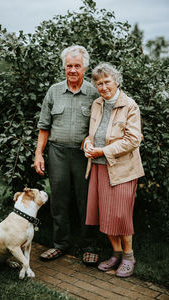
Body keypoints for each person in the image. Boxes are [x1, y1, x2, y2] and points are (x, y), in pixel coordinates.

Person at [34, 45, 99, 264]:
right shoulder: (53, 91)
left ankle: (89, 246)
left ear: (85, 68)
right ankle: (60, 244)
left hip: (83, 156)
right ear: (64, 67)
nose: (72, 70)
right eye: (69, 65)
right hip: (57, 153)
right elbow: (44, 126)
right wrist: (39, 154)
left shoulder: (93, 92)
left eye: (77, 66)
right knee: (59, 200)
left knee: (86, 201)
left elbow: (101, 126)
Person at [83, 62, 144, 277]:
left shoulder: (130, 105)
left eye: (107, 81)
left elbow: (133, 140)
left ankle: (129, 256)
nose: (103, 86)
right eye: (99, 83)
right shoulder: (97, 104)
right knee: (105, 214)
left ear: (116, 81)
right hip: (98, 168)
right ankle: (116, 254)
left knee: (121, 215)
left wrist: (103, 150)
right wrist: (88, 145)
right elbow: (92, 133)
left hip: (122, 170)